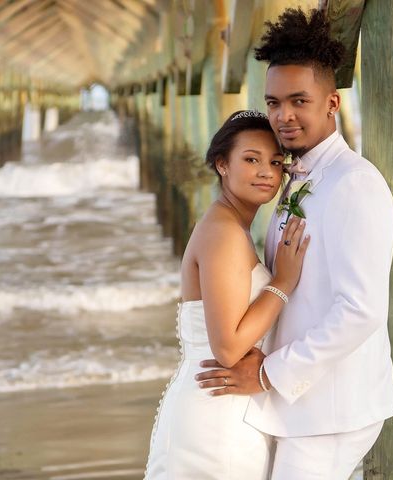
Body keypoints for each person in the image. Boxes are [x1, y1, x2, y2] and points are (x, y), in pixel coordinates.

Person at [195, 8, 393, 479]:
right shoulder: (296, 176)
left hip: (331, 407)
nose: (282, 116)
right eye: (273, 102)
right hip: (298, 404)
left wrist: (270, 373)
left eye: (298, 101)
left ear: (332, 103)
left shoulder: (354, 184)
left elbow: (361, 309)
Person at [144, 109, 309, 479]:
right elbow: (229, 349)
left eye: (275, 161)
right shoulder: (224, 234)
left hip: (223, 408)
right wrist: (282, 283)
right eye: (251, 159)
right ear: (222, 164)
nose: (267, 171)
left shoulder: (229, 225)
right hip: (216, 421)